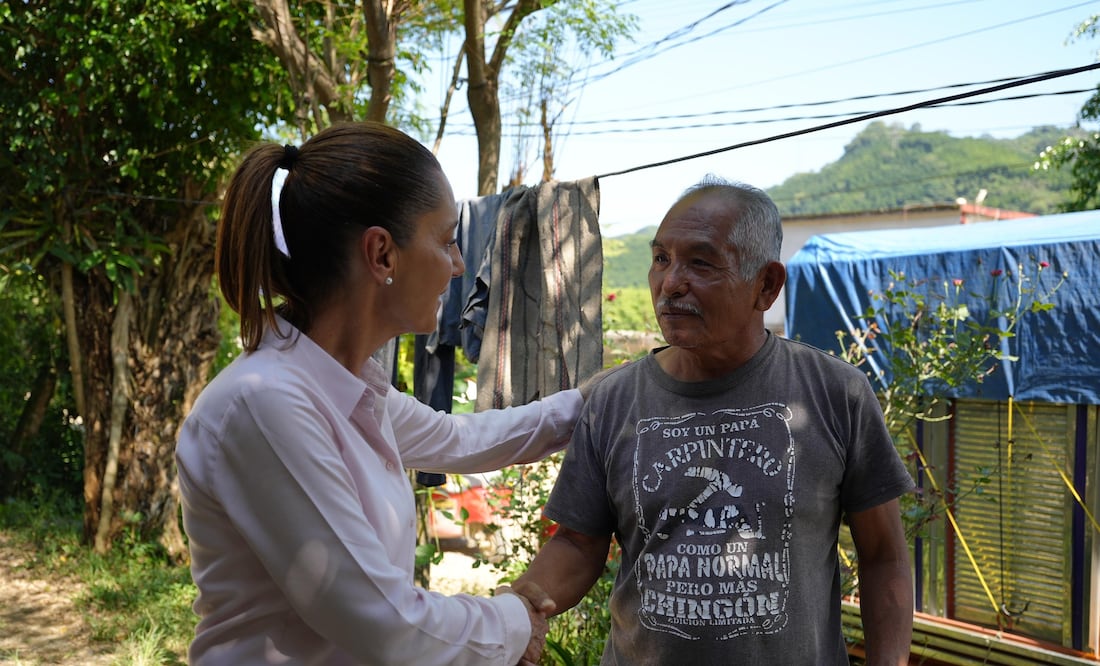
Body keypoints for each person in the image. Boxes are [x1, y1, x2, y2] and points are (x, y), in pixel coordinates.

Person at [176, 121, 598, 665]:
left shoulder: (341, 383)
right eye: (446, 240)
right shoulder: (267, 402)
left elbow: (458, 438)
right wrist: (514, 621)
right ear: (381, 254)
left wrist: (593, 400)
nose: (458, 264)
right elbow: (385, 621)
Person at [513, 177, 915, 665]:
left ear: (765, 285)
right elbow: (578, 545)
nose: (670, 282)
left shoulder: (835, 393)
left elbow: (884, 556)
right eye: (661, 258)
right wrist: (521, 608)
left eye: (700, 262)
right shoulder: (615, 399)